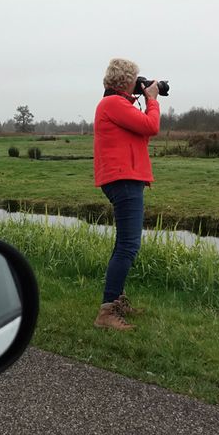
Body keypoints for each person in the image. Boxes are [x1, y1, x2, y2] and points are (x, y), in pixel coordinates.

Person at [92, 58, 160, 330]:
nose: (138, 82)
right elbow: (151, 126)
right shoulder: (113, 104)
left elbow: (139, 127)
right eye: (135, 78)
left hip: (124, 178)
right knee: (128, 246)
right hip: (123, 179)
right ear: (126, 81)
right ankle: (107, 312)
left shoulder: (117, 104)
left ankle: (115, 300)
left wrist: (140, 96)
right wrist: (152, 99)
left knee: (125, 244)